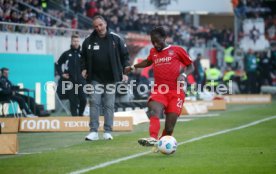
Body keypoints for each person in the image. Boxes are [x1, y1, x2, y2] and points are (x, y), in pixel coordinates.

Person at [124, 26, 194, 147]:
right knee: (154, 110)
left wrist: (183, 74)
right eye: (152, 41)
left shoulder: (177, 50)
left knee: (169, 127)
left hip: (176, 92)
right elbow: (148, 62)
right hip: (159, 90)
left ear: (164, 38)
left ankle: (162, 143)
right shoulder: (153, 52)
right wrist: (132, 67)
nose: (155, 44)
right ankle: (152, 137)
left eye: (157, 40)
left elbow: (191, 66)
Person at [81, 15, 130, 141]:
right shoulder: (88, 40)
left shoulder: (116, 38)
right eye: (96, 26)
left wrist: (125, 72)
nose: (98, 28)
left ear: (105, 24)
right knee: (94, 102)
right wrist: (84, 68)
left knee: (109, 105)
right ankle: (93, 131)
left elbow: (125, 56)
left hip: (111, 77)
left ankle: (108, 131)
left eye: (100, 25)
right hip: (95, 77)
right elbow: (83, 57)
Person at [56, 34, 87, 116]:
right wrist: (62, 74)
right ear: (71, 42)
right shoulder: (66, 54)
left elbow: (88, 65)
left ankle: (80, 115)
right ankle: (74, 119)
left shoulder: (83, 54)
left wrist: (86, 73)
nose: (76, 43)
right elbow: (57, 64)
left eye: (77, 41)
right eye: (74, 41)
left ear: (79, 42)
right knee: (73, 101)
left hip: (81, 81)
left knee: (83, 99)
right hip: (70, 82)